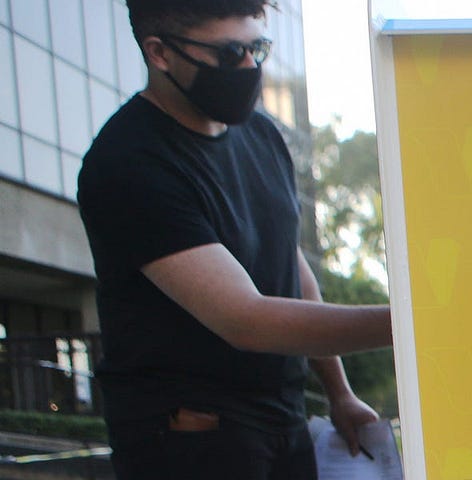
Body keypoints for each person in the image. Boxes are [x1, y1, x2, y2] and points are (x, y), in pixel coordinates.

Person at [76, 1, 393, 478]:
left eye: (257, 48)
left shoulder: (260, 133)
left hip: (284, 419)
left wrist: (340, 392)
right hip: (191, 436)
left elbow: (289, 267)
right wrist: (413, 324)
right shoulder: (128, 162)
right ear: (159, 53)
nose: (248, 67)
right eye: (229, 55)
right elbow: (244, 320)